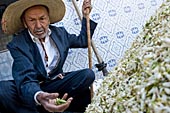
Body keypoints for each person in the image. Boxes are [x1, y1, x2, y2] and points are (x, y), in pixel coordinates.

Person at [0, 0, 97, 113]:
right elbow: (26, 77)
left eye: (42, 19)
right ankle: (41, 106)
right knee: (3, 89)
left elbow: (83, 41)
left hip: (54, 84)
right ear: (25, 23)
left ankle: (54, 105)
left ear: (49, 19)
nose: (38, 26)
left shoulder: (60, 33)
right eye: (32, 20)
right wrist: (39, 95)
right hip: (32, 88)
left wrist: (85, 16)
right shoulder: (18, 44)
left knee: (87, 75)